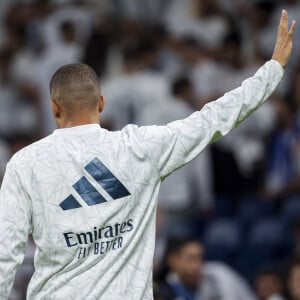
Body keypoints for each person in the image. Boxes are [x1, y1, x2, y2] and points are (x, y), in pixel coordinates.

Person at [0, 10, 295, 300]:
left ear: (54, 107)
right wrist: (273, 70)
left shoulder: (25, 164)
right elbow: (212, 119)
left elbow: (5, 253)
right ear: (101, 103)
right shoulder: (139, 148)